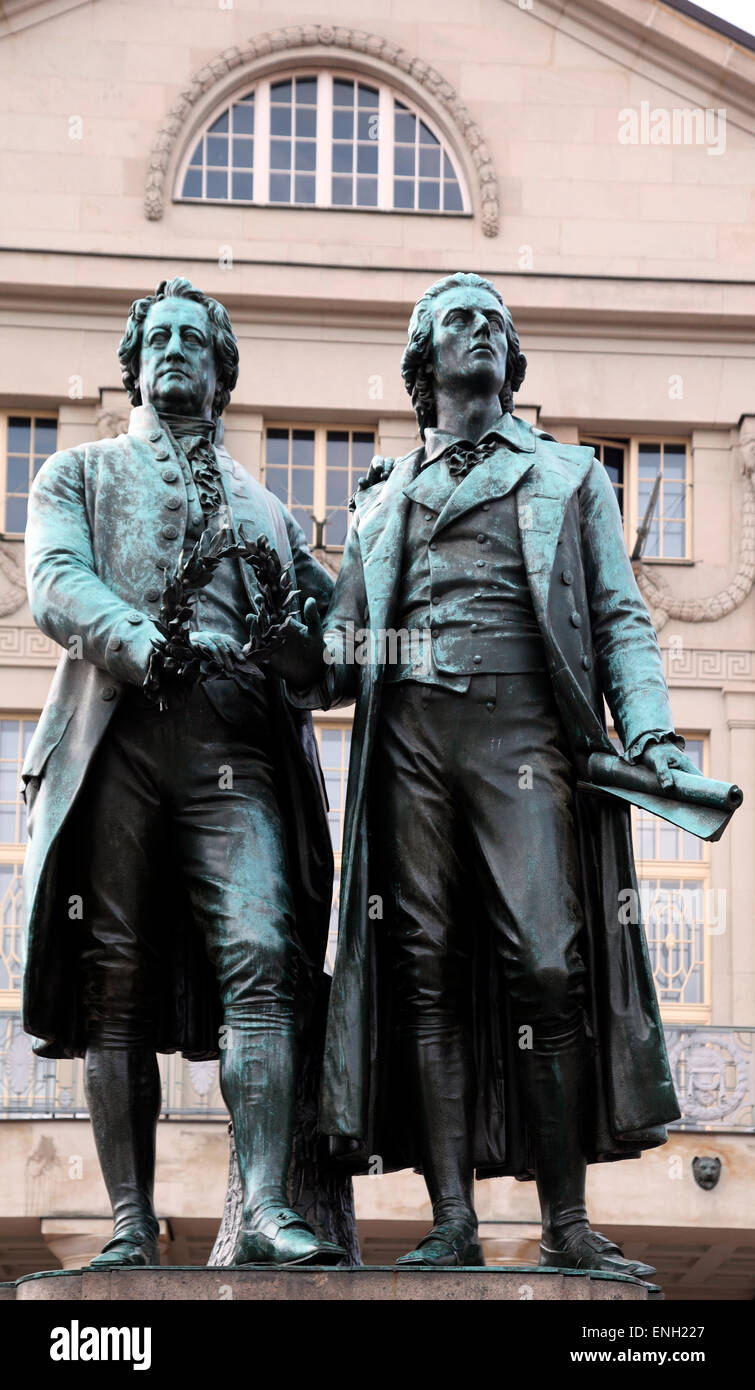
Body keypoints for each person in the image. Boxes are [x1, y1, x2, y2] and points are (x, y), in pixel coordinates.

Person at [302, 272, 698, 1276]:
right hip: (409, 740)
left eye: (493, 322)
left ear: (510, 360)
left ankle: (564, 1221)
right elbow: (343, 657)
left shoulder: (570, 475)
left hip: (521, 731)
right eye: (456, 321)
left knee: (549, 963)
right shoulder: (380, 495)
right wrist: (288, 638)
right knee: (421, 969)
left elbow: (617, 619)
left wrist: (647, 730)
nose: (477, 332)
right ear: (423, 360)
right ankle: (450, 1219)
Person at [22, 277, 342, 1268]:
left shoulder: (271, 514)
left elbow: (328, 657)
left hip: (233, 753)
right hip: (120, 739)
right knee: (113, 979)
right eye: (155, 338)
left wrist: (304, 655)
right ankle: (128, 1219)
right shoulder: (76, 473)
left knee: (262, 955)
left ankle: (266, 1206)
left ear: (219, 369)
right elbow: (55, 581)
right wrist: (135, 638)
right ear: (133, 364)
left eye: (191, 340)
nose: (171, 351)